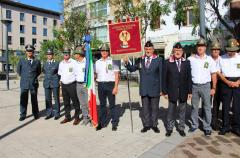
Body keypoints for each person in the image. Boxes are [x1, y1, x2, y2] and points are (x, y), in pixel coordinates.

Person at [123, 41, 163, 133]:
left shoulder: (159, 60)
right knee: (145, 109)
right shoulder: (140, 59)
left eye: (150, 49)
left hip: (155, 88)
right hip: (144, 88)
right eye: (146, 49)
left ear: (153, 50)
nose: (148, 51)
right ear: (144, 50)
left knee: (155, 108)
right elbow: (132, 69)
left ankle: (154, 125)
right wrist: (126, 63)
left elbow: (161, 75)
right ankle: (146, 125)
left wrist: (161, 90)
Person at [188, 38, 217, 136]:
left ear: (205, 47)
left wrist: (213, 88)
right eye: (199, 46)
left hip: (206, 86)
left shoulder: (210, 60)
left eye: (202, 46)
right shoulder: (190, 59)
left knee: (207, 107)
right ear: (197, 47)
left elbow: (213, 74)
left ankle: (207, 127)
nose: (200, 48)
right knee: (194, 107)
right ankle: (194, 124)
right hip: (194, 86)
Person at [163, 43, 192, 137]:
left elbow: (189, 78)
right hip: (171, 91)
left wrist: (190, 92)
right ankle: (169, 128)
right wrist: (165, 92)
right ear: (173, 51)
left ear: (182, 52)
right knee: (171, 111)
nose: (178, 52)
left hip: (183, 91)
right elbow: (164, 78)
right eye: (176, 51)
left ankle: (181, 128)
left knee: (182, 111)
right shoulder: (168, 62)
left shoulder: (186, 62)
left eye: (179, 51)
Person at [217, 38, 240, 136]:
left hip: (238, 82)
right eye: (230, 50)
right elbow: (218, 72)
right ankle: (225, 126)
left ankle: (236, 127)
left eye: (233, 50)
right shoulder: (222, 58)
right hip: (225, 83)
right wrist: (227, 82)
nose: (232, 52)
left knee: (237, 106)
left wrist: (238, 81)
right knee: (226, 106)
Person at [95, 43, 120, 131]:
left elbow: (117, 74)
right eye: (102, 51)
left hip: (111, 85)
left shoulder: (114, 60)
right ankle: (102, 123)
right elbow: (96, 74)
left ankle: (114, 123)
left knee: (112, 105)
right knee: (102, 105)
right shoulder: (97, 62)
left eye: (106, 50)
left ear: (108, 52)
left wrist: (116, 87)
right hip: (101, 85)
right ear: (100, 52)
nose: (104, 52)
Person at [17, 44, 41, 121]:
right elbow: (18, 71)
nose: (29, 52)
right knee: (23, 99)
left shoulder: (37, 61)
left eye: (31, 51)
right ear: (26, 52)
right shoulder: (21, 60)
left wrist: (34, 79)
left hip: (33, 83)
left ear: (33, 52)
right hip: (24, 83)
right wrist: (24, 78)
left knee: (34, 99)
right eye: (28, 51)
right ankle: (23, 114)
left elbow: (39, 72)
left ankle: (35, 113)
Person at [58, 48, 80, 125]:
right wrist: (60, 85)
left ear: (70, 54)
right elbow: (60, 74)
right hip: (64, 85)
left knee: (75, 102)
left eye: (67, 52)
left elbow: (77, 73)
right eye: (64, 53)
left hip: (72, 85)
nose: (66, 54)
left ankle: (77, 118)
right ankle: (67, 117)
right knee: (66, 102)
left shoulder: (74, 62)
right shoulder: (61, 63)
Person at [74, 46, 90, 125]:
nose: (74, 55)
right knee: (82, 103)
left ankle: (91, 118)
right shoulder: (75, 63)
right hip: (78, 84)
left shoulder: (87, 62)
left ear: (79, 54)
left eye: (75, 54)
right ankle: (85, 118)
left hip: (86, 84)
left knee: (88, 102)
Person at [42, 49, 60, 120]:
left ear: (53, 55)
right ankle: (49, 113)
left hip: (55, 83)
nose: (49, 56)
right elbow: (44, 71)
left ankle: (57, 113)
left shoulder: (57, 63)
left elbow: (59, 73)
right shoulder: (44, 63)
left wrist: (58, 80)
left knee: (56, 98)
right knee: (48, 99)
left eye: (50, 54)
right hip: (46, 83)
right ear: (46, 55)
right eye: (48, 54)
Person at [210, 40, 222, 130]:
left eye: (217, 50)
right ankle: (205, 117)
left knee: (216, 102)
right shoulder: (207, 59)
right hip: (208, 82)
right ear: (211, 50)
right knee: (207, 101)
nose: (215, 51)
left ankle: (214, 122)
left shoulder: (222, 60)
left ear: (219, 51)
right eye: (214, 49)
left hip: (219, 83)